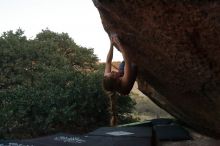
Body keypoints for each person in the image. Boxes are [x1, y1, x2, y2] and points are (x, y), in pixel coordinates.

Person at [103, 34, 137, 126]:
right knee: (132, 61)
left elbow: (108, 61)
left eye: (112, 72)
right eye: (113, 74)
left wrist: (111, 44)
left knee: (122, 66)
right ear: (117, 81)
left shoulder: (109, 78)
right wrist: (119, 44)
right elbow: (127, 59)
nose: (113, 71)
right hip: (131, 66)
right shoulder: (124, 84)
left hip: (125, 68)